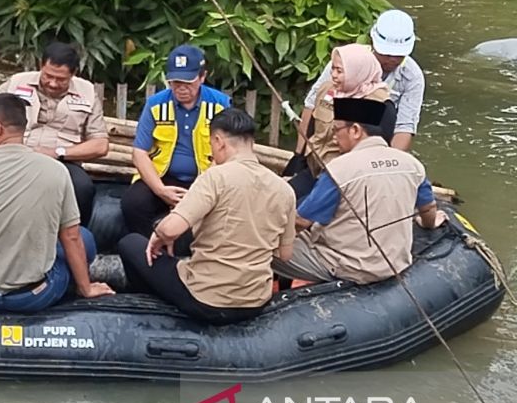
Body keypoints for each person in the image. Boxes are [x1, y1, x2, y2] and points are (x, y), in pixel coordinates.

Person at [116, 109, 295, 324]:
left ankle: (147, 310)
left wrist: (158, 236)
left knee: (131, 243)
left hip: (207, 298)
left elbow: (170, 229)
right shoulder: (284, 190)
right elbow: (284, 254)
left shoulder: (215, 177)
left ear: (219, 141)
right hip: (256, 299)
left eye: (211, 145)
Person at [0, 93, 114, 312]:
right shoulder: (57, 171)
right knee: (83, 237)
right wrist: (87, 288)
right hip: (34, 296)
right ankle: (75, 288)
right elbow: (71, 237)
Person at [274, 98, 445, 285]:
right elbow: (428, 210)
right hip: (395, 264)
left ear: (355, 130)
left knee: (253, 245)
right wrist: (428, 224)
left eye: (336, 130)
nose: (333, 137)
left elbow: (300, 222)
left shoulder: (340, 169)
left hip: (346, 266)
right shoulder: (413, 165)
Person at [121, 45, 231, 239]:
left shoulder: (220, 104)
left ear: (202, 77)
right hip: (161, 177)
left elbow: (227, 152)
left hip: (206, 179)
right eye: (175, 82)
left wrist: (198, 194)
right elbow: (139, 153)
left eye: (187, 82)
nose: (181, 88)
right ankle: (147, 251)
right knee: (133, 203)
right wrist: (160, 190)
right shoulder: (155, 104)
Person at [0, 42, 108, 223]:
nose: (53, 83)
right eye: (48, 76)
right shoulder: (17, 82)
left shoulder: (87, 92)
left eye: (61, 79)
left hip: (63, 161)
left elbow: (101, 145)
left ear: (73, 73)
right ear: (41, 66)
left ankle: (76, 239)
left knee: (83, 187)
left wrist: (58, 153)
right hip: (16, 152)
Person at [295, 9, 425, 153]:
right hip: (331, 143)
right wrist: (299, 154)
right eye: (387, 54)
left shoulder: (412, 76)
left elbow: (404, 127)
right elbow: (312, 104)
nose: (392, 59)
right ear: (373, 43)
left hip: (373, 147)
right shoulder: (346, 61)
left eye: (399, 55)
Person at [285, 43, 397, 199]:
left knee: (303, 212)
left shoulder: (378, 104)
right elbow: (313, 131)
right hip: (315, 169)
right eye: (333, 69)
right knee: (283, 198)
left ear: (356, 72)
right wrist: (300, 159)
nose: (334, 75)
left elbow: (377, 150)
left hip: (343, 179)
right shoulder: (327, 90)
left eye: (340, 71)